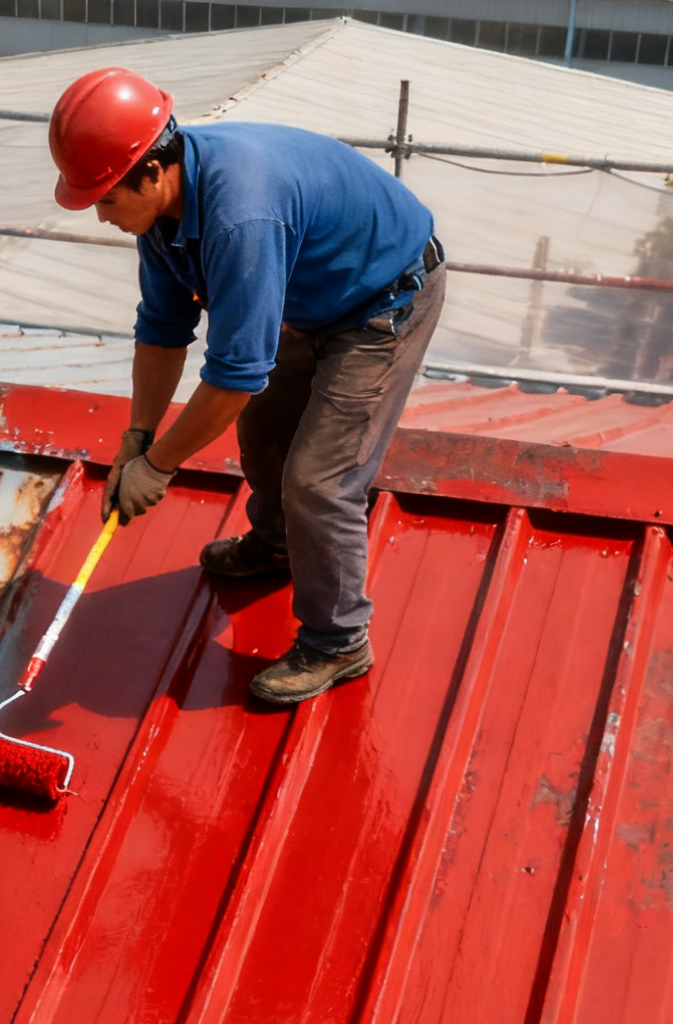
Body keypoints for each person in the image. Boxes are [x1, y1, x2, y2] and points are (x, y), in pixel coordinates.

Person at [48, 67, 444, 704]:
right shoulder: (161, 214)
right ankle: (280, 546)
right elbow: (162, 327)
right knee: (262, 432)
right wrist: (137, 436)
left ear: (153, 171)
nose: (101, 217)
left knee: (318, 479)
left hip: (384, 301)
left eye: (106, 199)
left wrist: (159, 466)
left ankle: (338, 641)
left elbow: (235, 374)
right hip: (308, 299)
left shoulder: (240, 215)